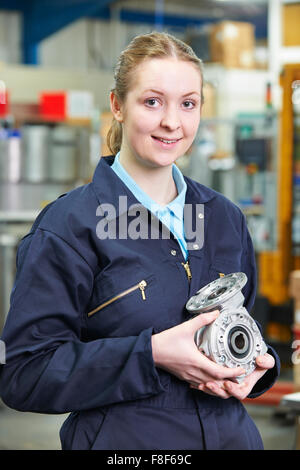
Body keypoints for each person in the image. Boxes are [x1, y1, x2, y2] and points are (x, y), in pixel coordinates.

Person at [0, 32, 279, 450]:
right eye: (152, 102)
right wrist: (150, 354)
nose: (173, 122)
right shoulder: (70, 225)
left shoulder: (224, 218)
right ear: (117, 106)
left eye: (188, 103)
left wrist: (259, 366)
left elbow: (245, 327)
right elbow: (24, 373)